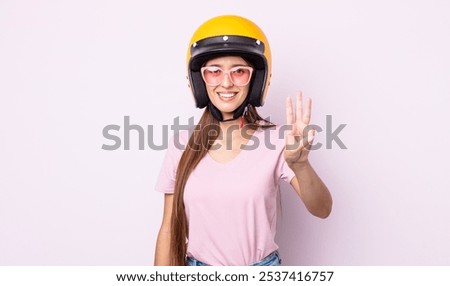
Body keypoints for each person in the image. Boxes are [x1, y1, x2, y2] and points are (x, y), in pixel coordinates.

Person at [154, 15, 332, 266]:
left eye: (239, 72)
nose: (226, 82)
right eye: (214, 71)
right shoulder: (182, 145)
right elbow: (169, 230)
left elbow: (322, 209)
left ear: (256, 80)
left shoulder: (278, 140)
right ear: (200, 80)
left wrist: (301, 165)